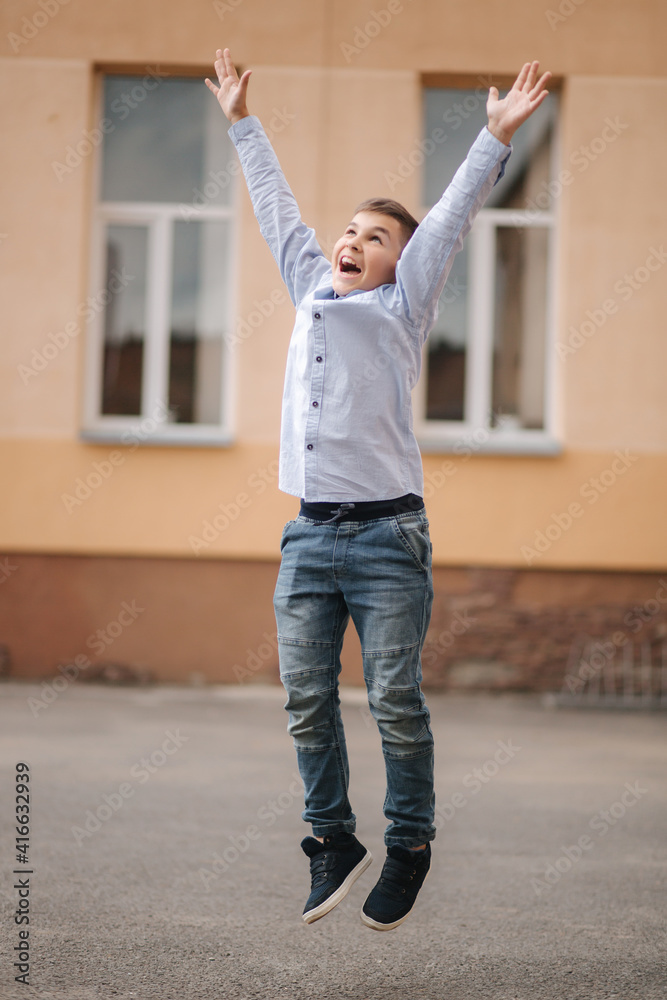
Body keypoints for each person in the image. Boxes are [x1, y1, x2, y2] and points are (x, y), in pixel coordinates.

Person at [206, 50, 551, 930]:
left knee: (394, 697)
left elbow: (446, 221)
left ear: (403, 265)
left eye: (376, 238)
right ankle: (331, 840)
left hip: (389, 539)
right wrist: (242, 122)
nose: (353, 244)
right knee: (304, 697)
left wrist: (491, 138)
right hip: (310, 536)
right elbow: (278, 211)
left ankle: (409, 844)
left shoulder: (402, 307)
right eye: (350, 232)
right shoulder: (310, 288)